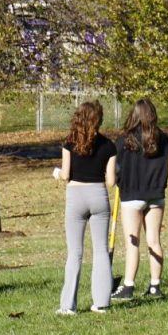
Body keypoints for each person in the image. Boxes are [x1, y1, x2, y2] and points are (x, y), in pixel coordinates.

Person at [55, 101, 117, 315]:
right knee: (100, 250)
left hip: (75, 196)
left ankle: (67, 305)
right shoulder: (109, 146)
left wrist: (55, 173)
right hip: (99, 196)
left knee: (75, 253)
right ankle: (101, 302)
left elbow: (65, 175)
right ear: (98, 120)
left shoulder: (69, 143)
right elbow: (111, 181)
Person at [112, 98, 168, 301]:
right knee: (154, 240)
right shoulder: (162, 139)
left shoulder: (124, 141)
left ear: (134, 116)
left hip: (132, 196)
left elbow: (116, 168)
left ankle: (128, 285)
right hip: (155, 195)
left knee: (133, 242)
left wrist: (120, 181)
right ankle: (155, 285)